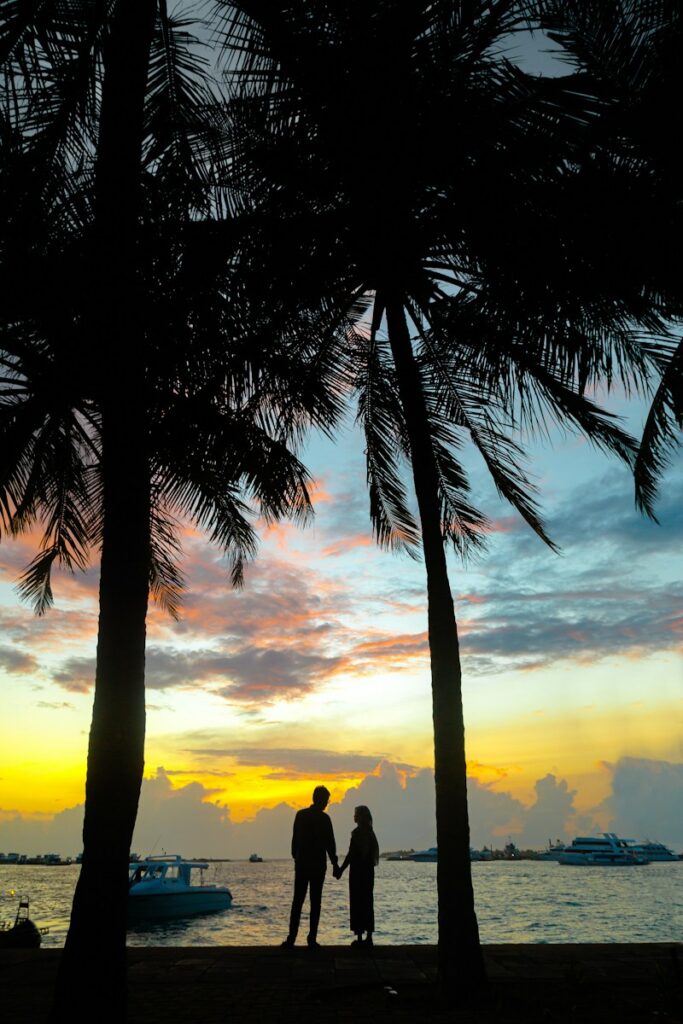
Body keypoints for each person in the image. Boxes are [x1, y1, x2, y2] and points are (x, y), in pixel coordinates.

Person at [281, 785, 338, 949]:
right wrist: (335, 864)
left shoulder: (300, 815)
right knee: (315, 903)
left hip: (302, 865)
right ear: (322, 801)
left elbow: (294, 842)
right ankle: (311, 939)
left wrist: (297, 858)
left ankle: (291, 938)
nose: (327, 803)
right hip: (318, 866)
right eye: (327, 800)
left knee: (297, 902)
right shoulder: (325, 819)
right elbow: (330, 845)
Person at [336, 805, 379, 947]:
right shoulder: (371, 834)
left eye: (356, 814)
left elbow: (350, 855)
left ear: (360, 817)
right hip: (368, 873)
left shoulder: (356, 834)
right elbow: (373, 857)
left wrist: (341, 869)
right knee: (367, 902)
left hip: (357, 873)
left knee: (357, 903)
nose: (353, 816)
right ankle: (369, 937)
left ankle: (360, 937)